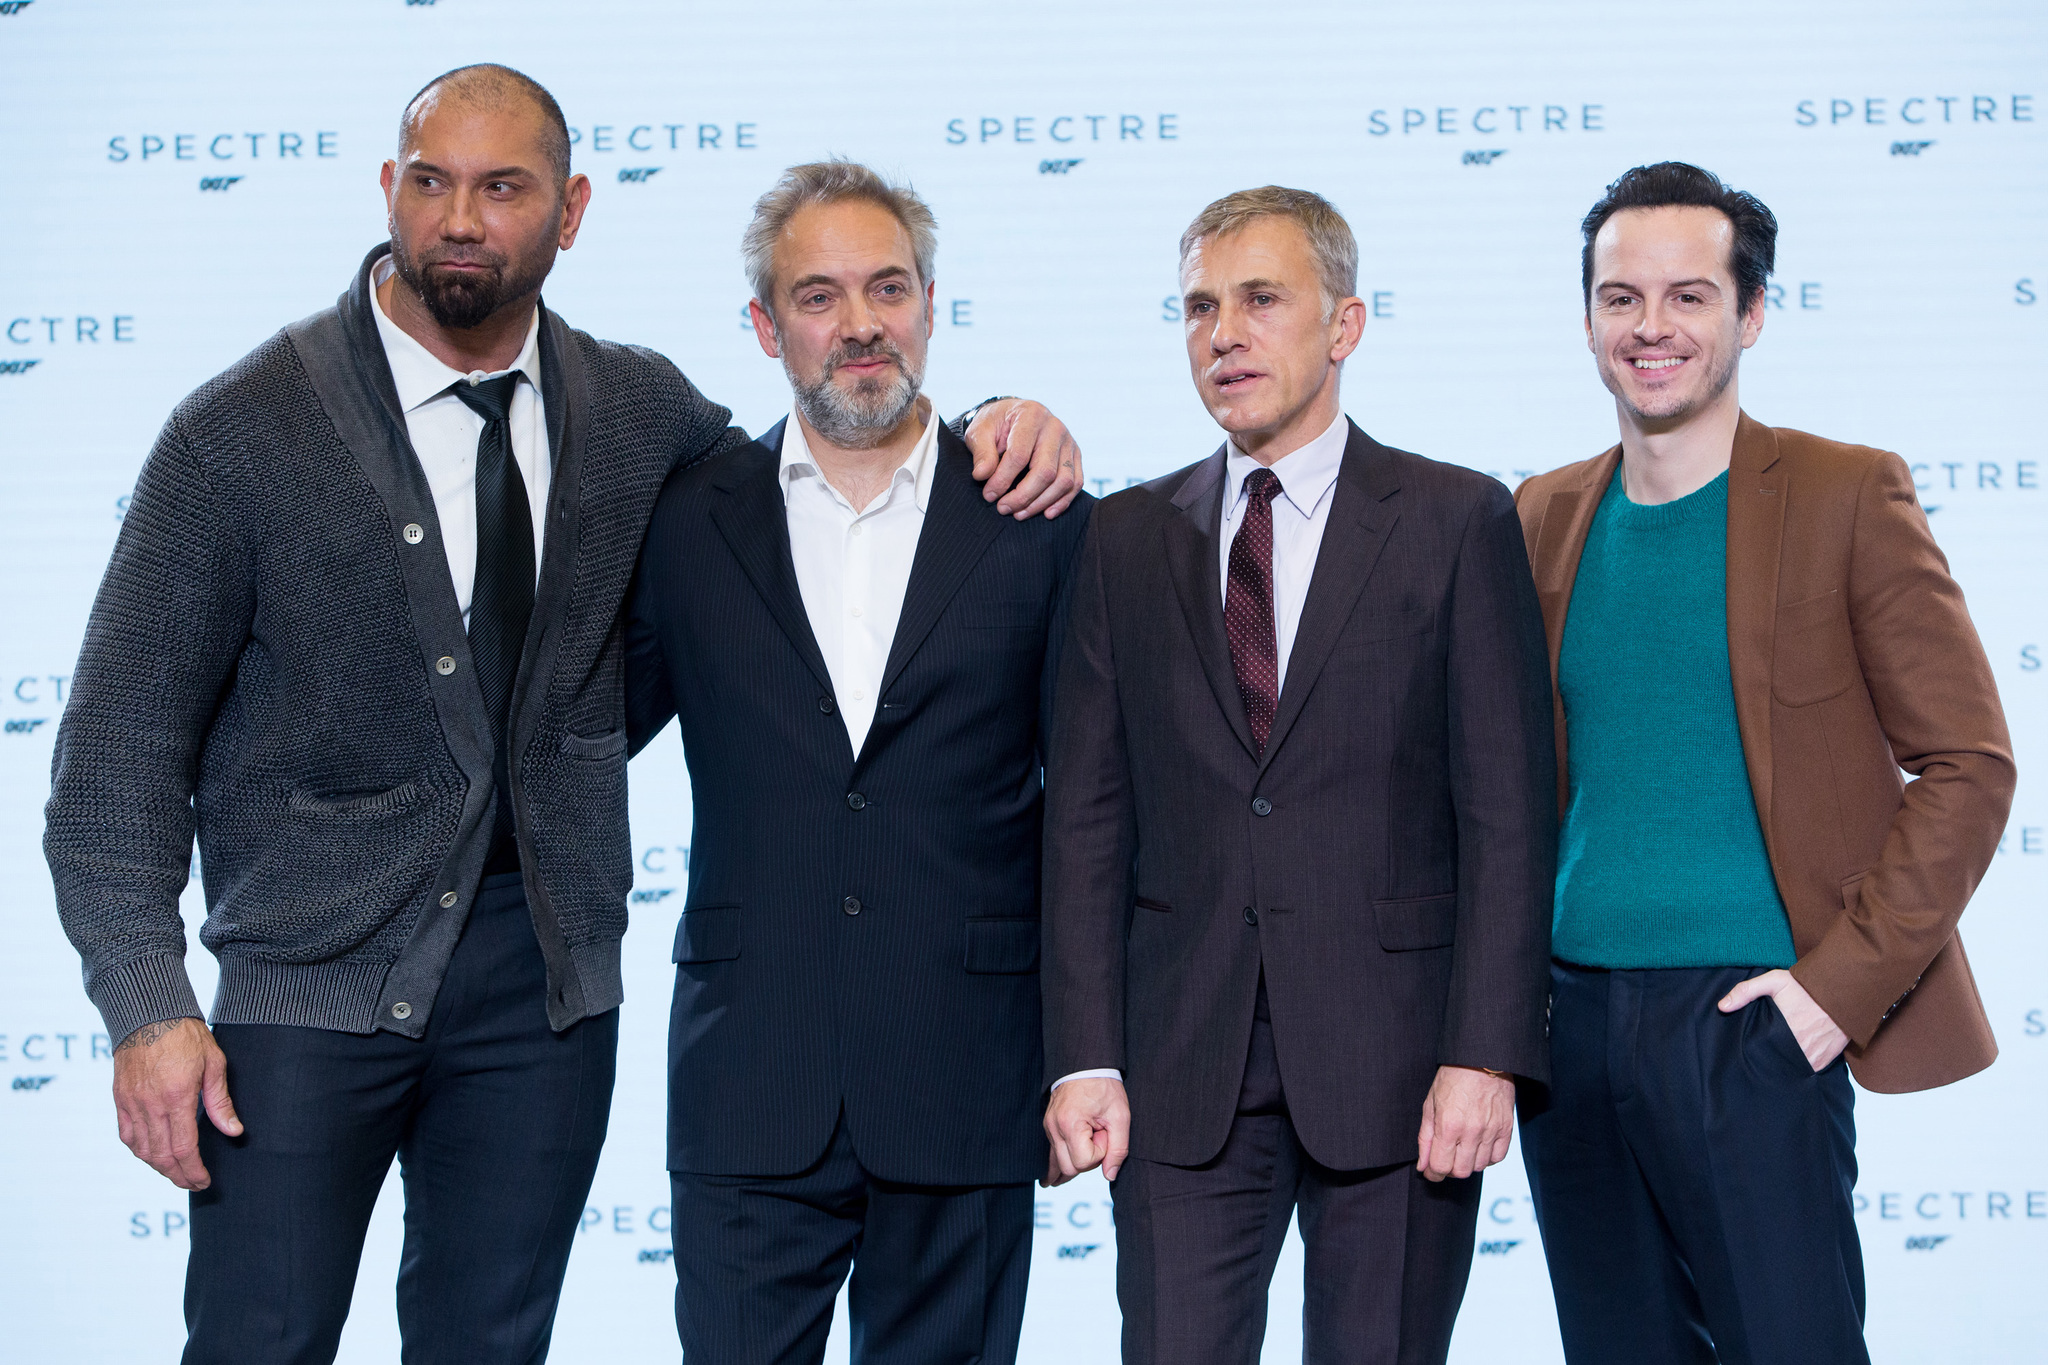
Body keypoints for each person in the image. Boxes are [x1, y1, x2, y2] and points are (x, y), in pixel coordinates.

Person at [43, 68, 1081, 1365]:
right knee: (260, 1338)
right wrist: (148, 1004)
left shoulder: (638, 415)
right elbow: (115, 756)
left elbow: (835, 450)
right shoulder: (239, 431)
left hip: (541, 995)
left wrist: (991, 420)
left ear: (572, 211)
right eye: (432, 180)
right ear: (388, 191)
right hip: (302, 994)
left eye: (504, 186)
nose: (463, 217)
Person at [1039, 186, 1556, 1365]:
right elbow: (1084, 822)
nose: (1223, 333)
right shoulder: (1124, 538)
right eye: (1198, 308)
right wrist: (1082, 1053)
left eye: (1259, 300)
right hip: (1178, 1070)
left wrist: (1484, 1053)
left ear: (1345, 325)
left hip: (1401, 1072)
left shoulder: (1453, 518)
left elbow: (1506, 812)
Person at [1513, 161, 2015, 1365]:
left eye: (1688, 296)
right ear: (1586, 318)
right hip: (1569, 1028)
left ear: (1748, 314)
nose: (1651, 328)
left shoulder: (1845, 492)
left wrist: (1828, 995)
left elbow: (1966, 763)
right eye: (1619, 298)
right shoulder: (1537, 512)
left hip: (1749, 1022)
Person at [623, 160, 1090, 1365]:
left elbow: (1095, 813)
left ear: (931, 304)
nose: (861, 323)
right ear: (766, 326)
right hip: (747, 1078)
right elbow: (577, 732)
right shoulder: (683, 521)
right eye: (819, 296)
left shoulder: (1039, 514)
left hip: (965, 1078)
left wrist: (1083, 1050)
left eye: (888, 288)